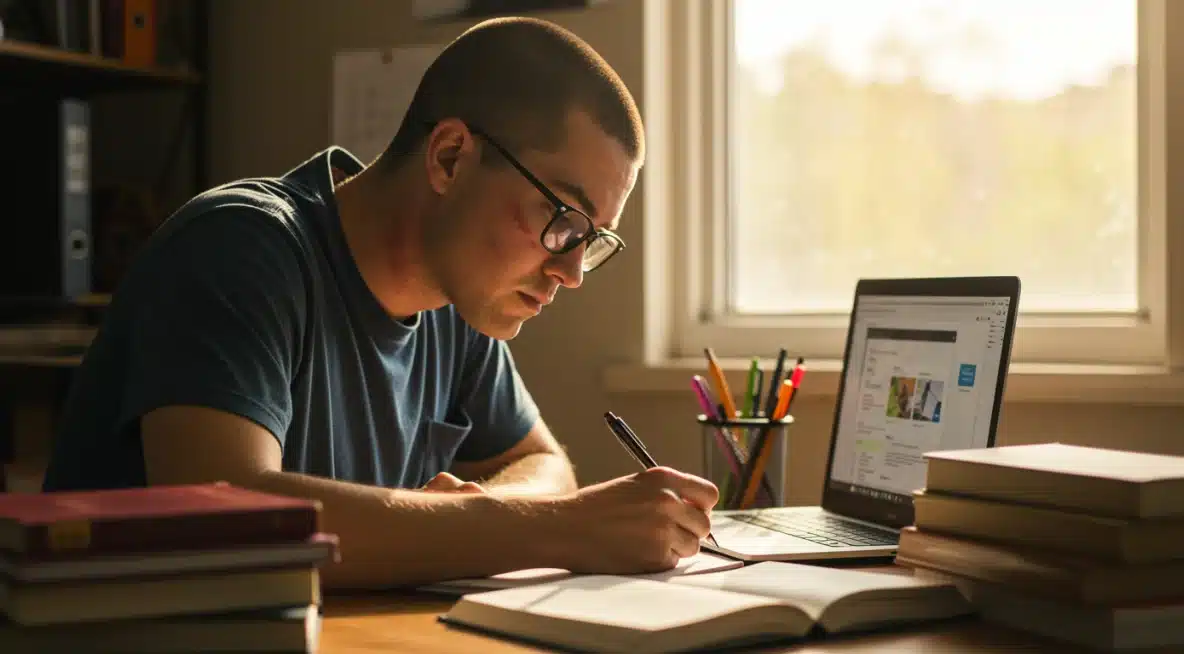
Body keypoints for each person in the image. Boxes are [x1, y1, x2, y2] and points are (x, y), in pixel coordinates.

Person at [40, 16, 720, 589]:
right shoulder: (240, 248)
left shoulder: (463, 302)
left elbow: (545, 468)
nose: (572, 270)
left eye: (594, 240)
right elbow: (221, 515)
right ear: (451, 157)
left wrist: (479, 522)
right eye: (565, 220)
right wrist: (549, 531)